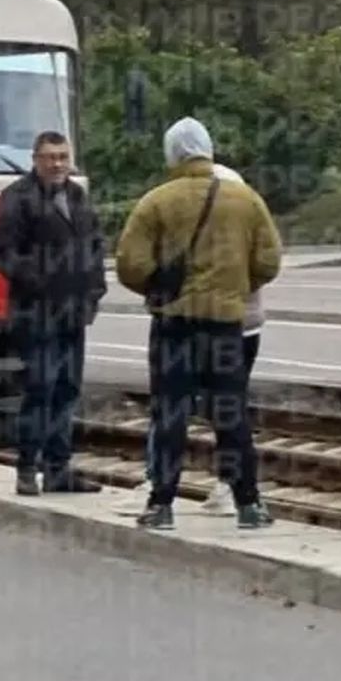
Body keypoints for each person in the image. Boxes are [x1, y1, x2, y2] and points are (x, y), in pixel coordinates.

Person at [114, 117, 283, 530]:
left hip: (174, 325)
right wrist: (237, 286)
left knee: (170, 413)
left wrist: (159, 288)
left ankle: (161, 504)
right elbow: (269, 261)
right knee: (232, 414)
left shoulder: (156, 201)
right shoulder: (246, 200)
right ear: (209, 148)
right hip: (225, 325)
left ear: (171, 152)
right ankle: (248, 504)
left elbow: (129, 264)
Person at [0, 130, 107, 495]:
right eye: (49, 157)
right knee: (40, 386)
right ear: (35, 159)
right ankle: (27, 467)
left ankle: (59, 468)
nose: (57, 163)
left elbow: (94, 245)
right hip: (36, 312)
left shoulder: (77, 195)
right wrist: (41, 281)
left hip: (74, 311)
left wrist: (94, 291)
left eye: (62, 156)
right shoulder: (17, 198)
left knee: (67, 388)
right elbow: (3, 253)